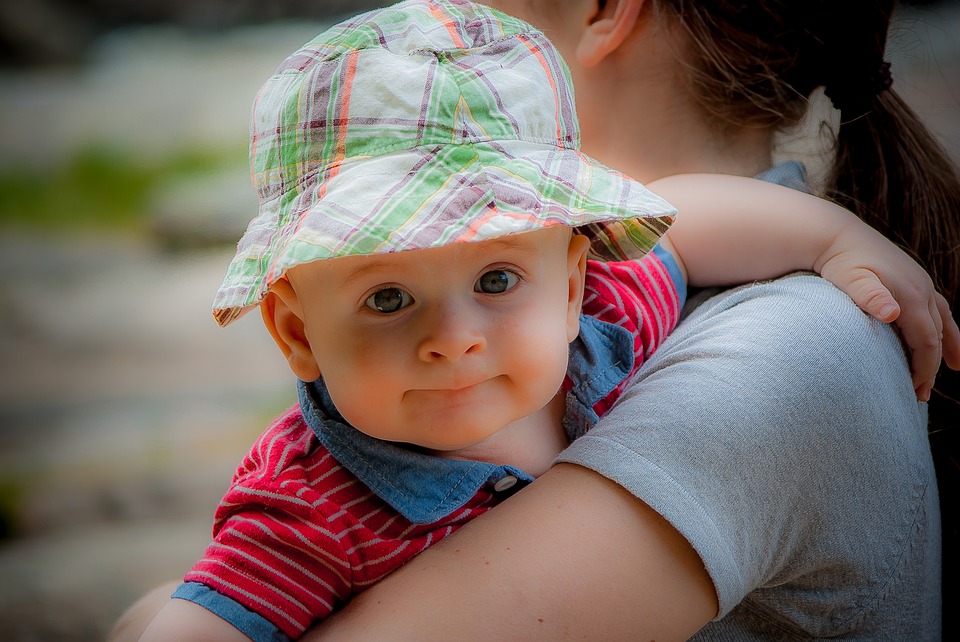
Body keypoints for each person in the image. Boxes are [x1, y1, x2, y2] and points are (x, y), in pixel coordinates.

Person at [111, 0, 960, 640]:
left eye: (495, 277)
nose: (455, 336)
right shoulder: (313, 506)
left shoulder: (768, 356)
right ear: (296, 333)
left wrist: (833, 236)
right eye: (387, 297)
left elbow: (667, 229)